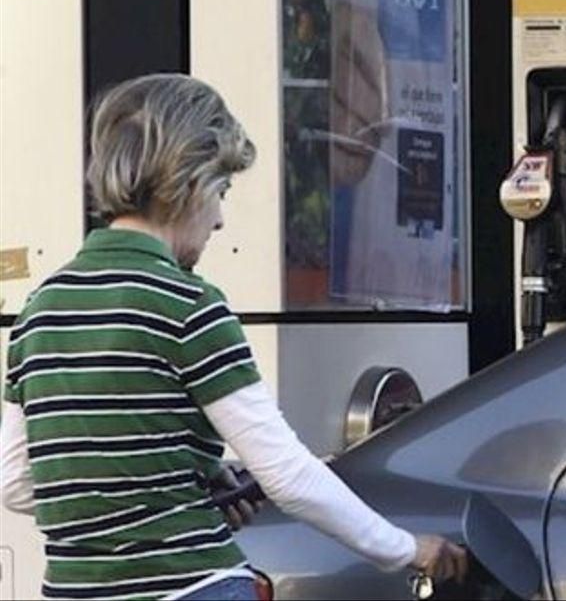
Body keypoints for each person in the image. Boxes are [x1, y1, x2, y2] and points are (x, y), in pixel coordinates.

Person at [1, 75, 466, 601]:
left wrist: (183, 481)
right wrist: (407, 548)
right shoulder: (188, 306)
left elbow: (15, 482)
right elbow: (287, 476)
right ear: (190, 184)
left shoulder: (39, 311)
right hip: (191, 586)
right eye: (222, 191)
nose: (220, 220)